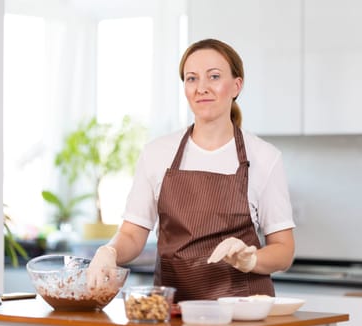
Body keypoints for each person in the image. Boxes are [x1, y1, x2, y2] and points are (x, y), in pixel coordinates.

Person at [87, 38, 295, 302]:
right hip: (173, 312)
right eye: (191, 78)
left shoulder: (265, 158)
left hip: (242, 315)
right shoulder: (157, 154)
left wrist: (251, 258)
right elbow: (131, 233)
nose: (202, 88)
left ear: (236, 85)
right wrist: (110, 251)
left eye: (214, 76)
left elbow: (284, 250)